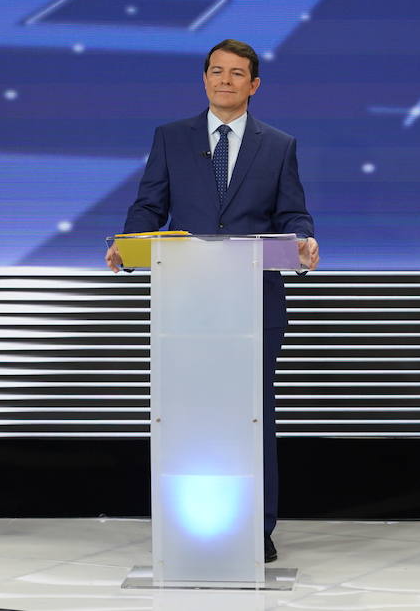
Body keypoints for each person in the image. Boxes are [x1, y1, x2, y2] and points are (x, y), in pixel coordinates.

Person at [106, 39, 318, 564]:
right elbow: (148, 206)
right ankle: (188, 523)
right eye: (216, 72)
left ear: (255, 84)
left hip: (254, 305)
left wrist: (305, 238)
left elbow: (292, 214)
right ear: (204, 79)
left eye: (237, 73)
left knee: (253, 414)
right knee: (191, 414)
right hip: (188, 305)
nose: (225, 80)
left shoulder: (279, 145)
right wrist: (125, 242)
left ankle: (257, 526)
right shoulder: (171, 138)